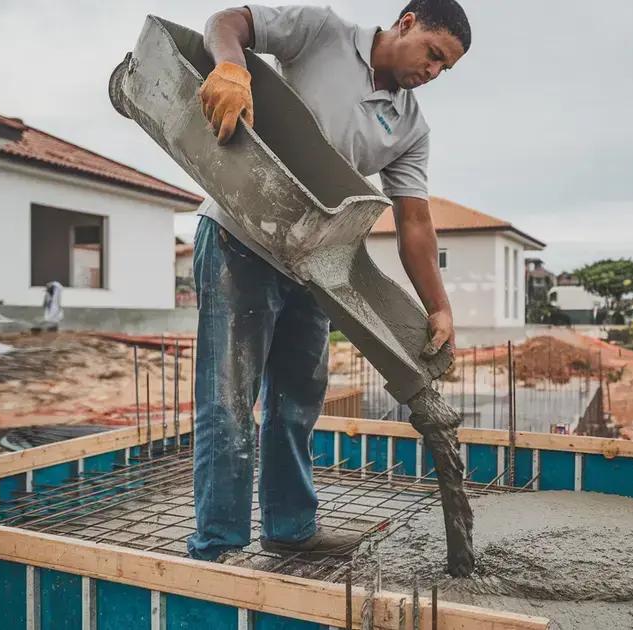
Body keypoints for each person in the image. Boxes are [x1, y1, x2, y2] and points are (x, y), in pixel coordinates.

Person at [187, 1, 471, 561]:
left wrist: (438, 306)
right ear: (407, 23)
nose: (433, 73)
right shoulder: (322, 32)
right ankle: (217, 546)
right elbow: (228, 22)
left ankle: (290, 529)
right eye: (434, 55)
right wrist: (230, 66)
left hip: (314, 260)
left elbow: (413, 220)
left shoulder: (410, 125)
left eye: (445, 69)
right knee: (228, 400)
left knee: (296, 401)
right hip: (238, 236)